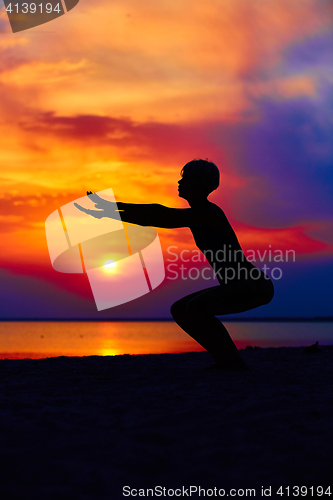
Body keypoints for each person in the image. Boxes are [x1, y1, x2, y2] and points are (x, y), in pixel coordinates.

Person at [74, 159, 274, 370]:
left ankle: (231, 361)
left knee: (196, 307)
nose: (180, 182)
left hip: (251, 285)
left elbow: (162, 215)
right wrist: (113, 211)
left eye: (185, 177)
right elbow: (160, 215)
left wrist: (113, 209)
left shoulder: (207, 212)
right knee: (180, 309)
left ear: (200, 183)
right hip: (240, 286)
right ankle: (226, 359)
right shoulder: (198, 214)